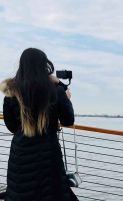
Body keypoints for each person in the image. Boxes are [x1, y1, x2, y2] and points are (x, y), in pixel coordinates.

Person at [0, 48, 78, 201]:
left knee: (21, 193)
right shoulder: (55, 90)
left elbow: (11, 126)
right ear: (44, 65)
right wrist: (66, 99)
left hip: (21, 155)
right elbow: (68, 120)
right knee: (51, 192)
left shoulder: (11, 93)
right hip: (48, 153)